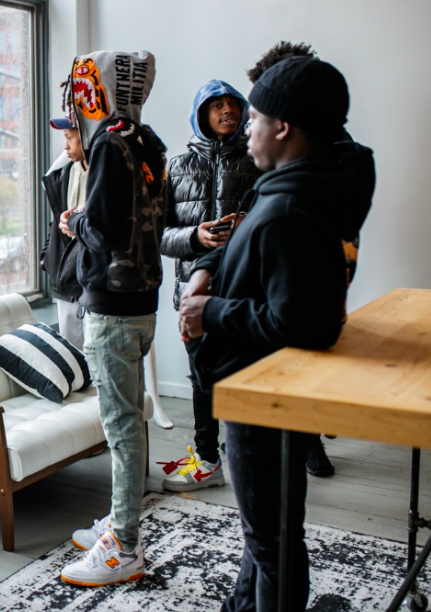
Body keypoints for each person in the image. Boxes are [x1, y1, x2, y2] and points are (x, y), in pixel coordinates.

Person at [178, 57, 375, 611]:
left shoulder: (291, 206)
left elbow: (300, 323)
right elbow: (253, 246)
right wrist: (208, 265)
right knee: (266, 531)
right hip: (266, 383)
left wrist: (209, 312)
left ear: (283, 127)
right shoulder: (310, 179)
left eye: (255, 117)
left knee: (272, 543)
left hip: (259, 387)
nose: (246, 129)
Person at [55, 50, 167, 587]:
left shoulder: (106, 145)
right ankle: (120, 523)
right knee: (130, 425)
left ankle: (123, 545)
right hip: (144, 303)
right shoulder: (148, 141)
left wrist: (73, 219)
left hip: (113, 307)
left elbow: (102, 230)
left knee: (121, 431)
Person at [247, 40, 351, 479]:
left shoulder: (323, 165)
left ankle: (305, 442)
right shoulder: (329, 153)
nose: (251, 129)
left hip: (311, 278)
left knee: (300, 350)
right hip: (316, 275)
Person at [159, 81, 260, 493]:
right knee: (202, 378)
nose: (227, 112)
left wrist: (242, 230)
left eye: (233, 105)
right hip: (193, 292)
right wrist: (195, 239)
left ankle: (257, 457)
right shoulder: (177, 167)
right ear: (201, 114)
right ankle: (207, 458)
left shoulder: (258, 160)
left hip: (245, 290)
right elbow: (157, 235)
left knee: (251, 375)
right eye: (216, 106)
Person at [41, 112, 88, 349]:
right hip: (64, 279)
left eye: (70, 137)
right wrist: (47, 258)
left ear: (87, 136)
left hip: (94, 279)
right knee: (72, 357)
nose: (66, 145)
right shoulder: (61, 175)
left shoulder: (105, 176)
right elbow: (54, 222)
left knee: (99, 358)